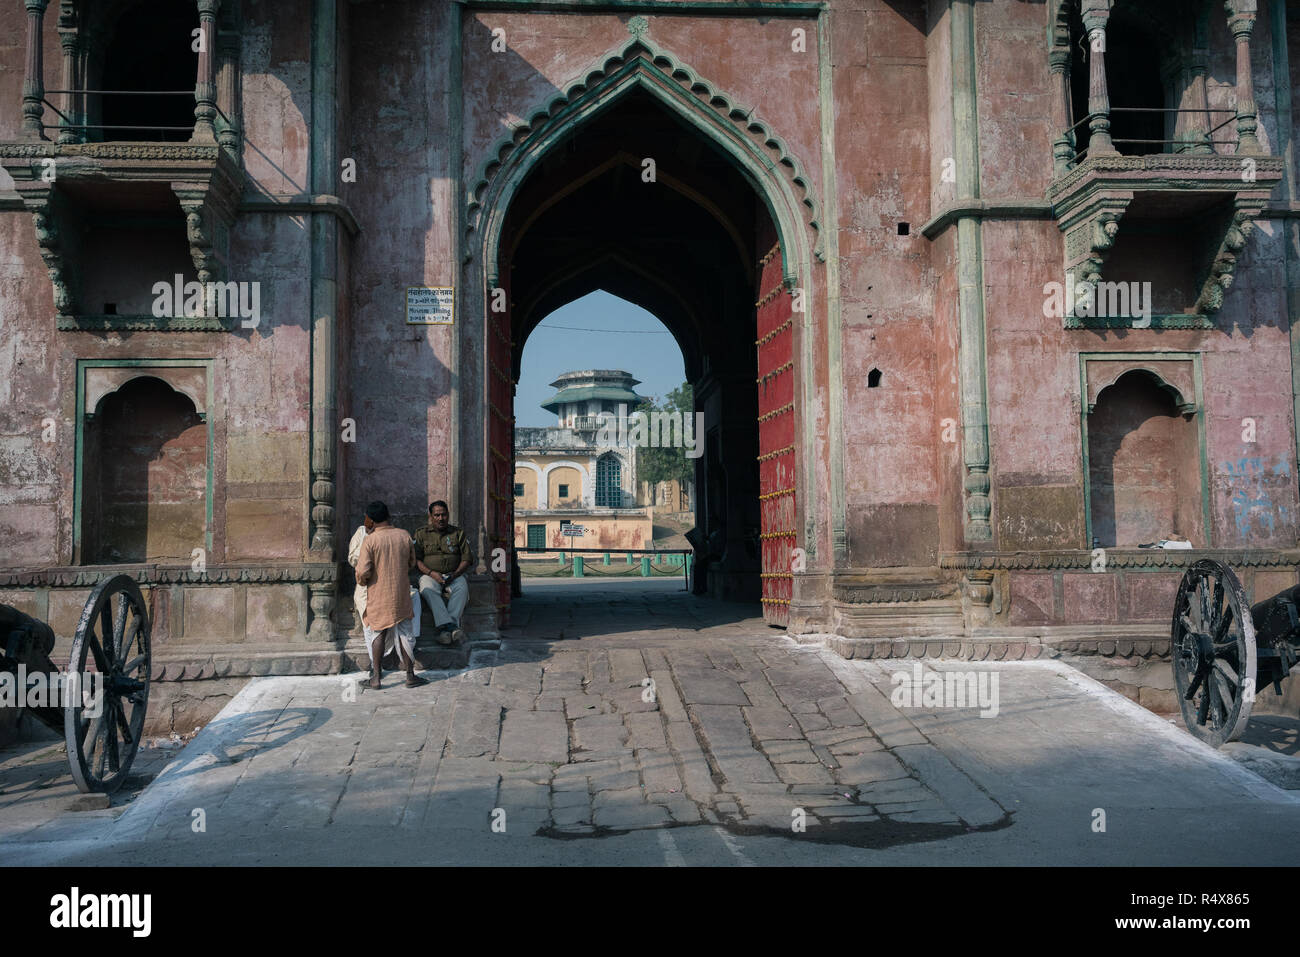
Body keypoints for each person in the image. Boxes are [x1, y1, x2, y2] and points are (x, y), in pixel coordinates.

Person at [354, 500, 427, 689]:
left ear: (370, 520)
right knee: (405, 633)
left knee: (378, 632)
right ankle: (410, 676)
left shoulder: (370, 540)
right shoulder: (404, 535)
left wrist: (364, 581)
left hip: (378, 593)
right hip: (401, 591)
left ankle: (376, 678)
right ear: (388, 515)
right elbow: (411, 563)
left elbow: (362, 571)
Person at [414, 500, 473, 645]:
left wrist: (454, 575)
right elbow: (416, 560)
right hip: (430, 575)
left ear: (448, 515)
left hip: (454, 574)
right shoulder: (421, 534)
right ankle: (451, 627)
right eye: (437, 515)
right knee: (427, 589)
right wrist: (431, 573)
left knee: (462, 588)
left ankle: (445, 629)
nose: (441, 518)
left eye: (444, 515)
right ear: (431, 516)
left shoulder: (458, 533)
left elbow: (466, 559)